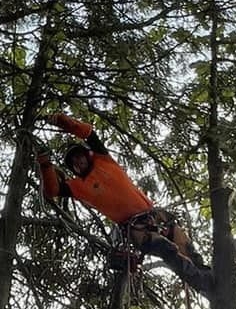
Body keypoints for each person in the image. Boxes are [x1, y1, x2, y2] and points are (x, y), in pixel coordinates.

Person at [36, 112, 204, 267]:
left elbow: (87, 133)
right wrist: (45, 163)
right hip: (135, 227)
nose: (77, 162)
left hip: (154, 215)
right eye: (73, 163)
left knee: (186, 247)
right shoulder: (77, 186)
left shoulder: (103, 160)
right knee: (164, 248)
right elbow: (52, 190)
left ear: (87, 155)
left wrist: (62, 121)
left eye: (79, 157)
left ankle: (207, 275)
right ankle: (190, 271)